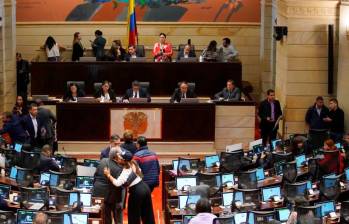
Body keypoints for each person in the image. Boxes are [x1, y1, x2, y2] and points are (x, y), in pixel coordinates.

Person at [104, 148, 156, 224]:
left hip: (137, 192)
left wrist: (108, 175)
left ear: (123, 161)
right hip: (145, 187)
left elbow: (117, 183)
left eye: (120, 158)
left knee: (133, 217)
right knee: (147, 215)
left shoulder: (126, 170)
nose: (118, 159)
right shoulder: (134, 162)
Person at [94, 148, 125, 224]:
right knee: (115, 212)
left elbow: (95, 175)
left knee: (105, 215)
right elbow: (119, 184)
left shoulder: (103, 160)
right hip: (110, 194)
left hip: (97, 192)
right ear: (116, 156)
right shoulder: (119, 168)